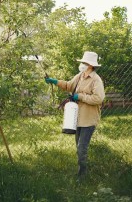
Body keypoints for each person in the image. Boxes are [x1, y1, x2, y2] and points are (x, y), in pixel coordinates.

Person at [45, 51, 105, 181]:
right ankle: (81, 171)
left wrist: (81, 96)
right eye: (82, 62)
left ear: (90, 65)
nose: (82, 64)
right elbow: (68, 85)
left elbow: (99, 98)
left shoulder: (96, 80)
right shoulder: (80, 76)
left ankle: (82, 175)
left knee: (81, 148)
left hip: (89, 119)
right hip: (77, 119)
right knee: (79, 147)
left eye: (84, 62)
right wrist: (54, 81)